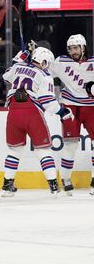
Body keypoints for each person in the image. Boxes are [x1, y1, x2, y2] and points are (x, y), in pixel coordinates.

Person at [1, 46, 72, 196]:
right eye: (47, 63)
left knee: (14, 150)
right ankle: (53, 186)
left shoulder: (18, 67)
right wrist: (61, 112)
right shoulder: (44, 75)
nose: (48, 66)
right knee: (43, 150)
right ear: (43, 61)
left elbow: (6, 75)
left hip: (13, 112)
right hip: (32, 113)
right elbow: (47, 101)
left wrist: (20, 57)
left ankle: (7, 185)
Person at [51, 35, 94, 195]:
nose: (72, 51)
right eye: (70, 49)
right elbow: (42, 70)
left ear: (83, 47)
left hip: (91, 106)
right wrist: (28, 58)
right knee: (70, 145)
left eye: (75, 48)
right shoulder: (61, 62)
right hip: (70, 106)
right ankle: (66, 179)